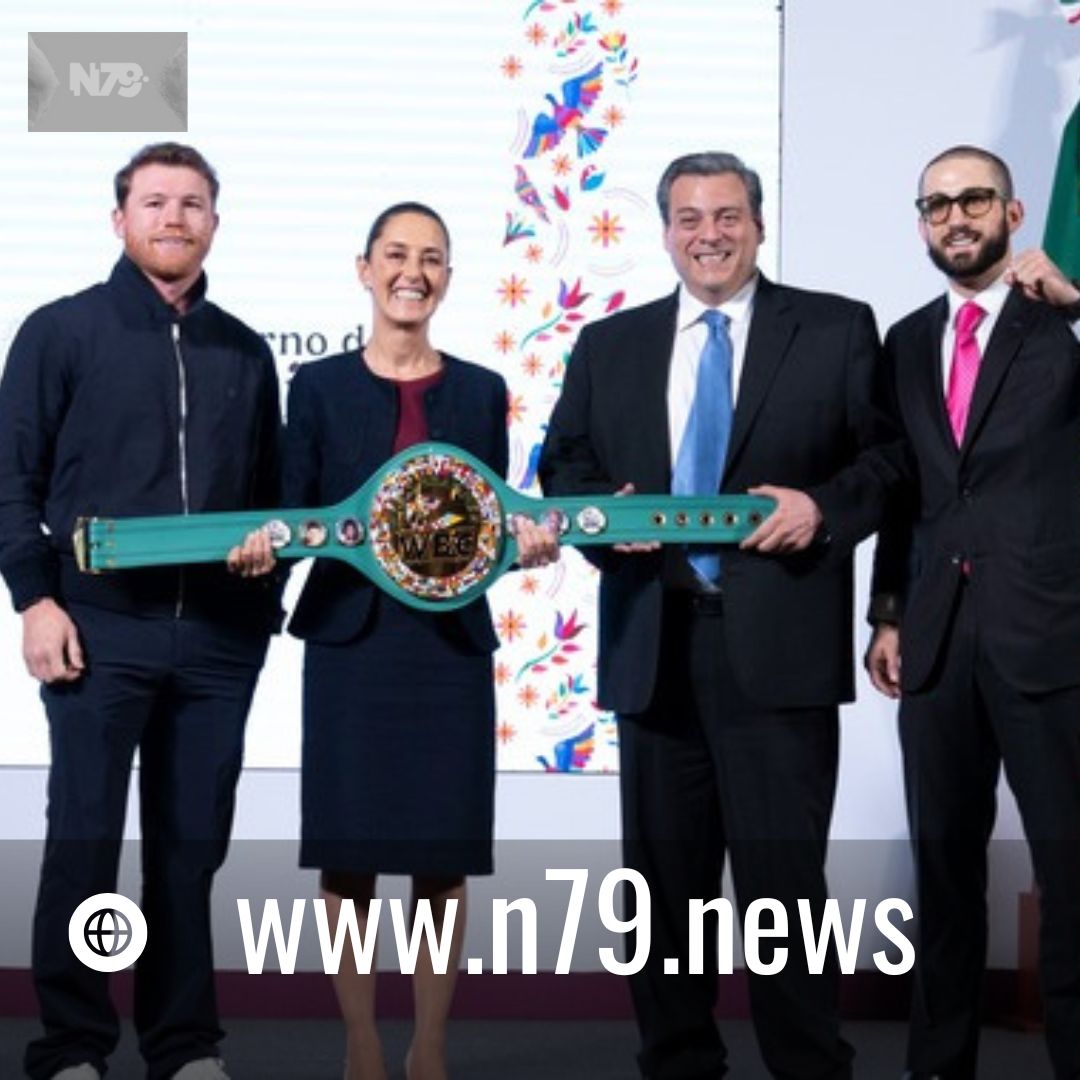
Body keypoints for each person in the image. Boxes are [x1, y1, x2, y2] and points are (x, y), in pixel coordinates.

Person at [539, 151, 900, 1080]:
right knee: (663, 891)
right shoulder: (609, 345)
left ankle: (808, 1065)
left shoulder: (834, 329)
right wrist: (599, 525)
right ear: (664, 231)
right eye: (690, 217)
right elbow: (565, 466)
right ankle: (679, 1062)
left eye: (728, 215)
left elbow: (890, 464)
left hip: (779, 651)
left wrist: (823, 508)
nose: (710, 233)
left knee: (783, 891)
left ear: (759, 224)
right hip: (652, 645)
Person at [230, 201, 558, 1080]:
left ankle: (432, 1046)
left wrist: (524, 551)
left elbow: (484, 530)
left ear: (448, 277)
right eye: (397, 255)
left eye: (433, 258)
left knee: (442, 852)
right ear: (365, 269)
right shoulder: (322, 387)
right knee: (350, 851)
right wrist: (265, 552)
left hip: (446, 652)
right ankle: (364, 1043)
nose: (415, 271)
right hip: (351, 644)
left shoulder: (484, 391)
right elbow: (296, 506)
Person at [0, 144, 283, 1080]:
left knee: (188, 850)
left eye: (193, 203)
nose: (174, 218)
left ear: (214, 221)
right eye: (155, 202)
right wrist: (36, 601)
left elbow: (273, 499)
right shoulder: (60, 333)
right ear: (118, 218)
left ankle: (183, 1046)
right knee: (85, 840)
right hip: (96, 630)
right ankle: (73, 1046)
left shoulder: (245, 350)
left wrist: (260, 586)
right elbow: (11, 485)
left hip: (215, 643)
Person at [865, 145, 1080, 1080]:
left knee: (1073, 880)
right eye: (937, 203)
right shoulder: (906, 340)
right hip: (938, 641)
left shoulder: (1060, 323)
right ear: (921, 221)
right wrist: (886, 613)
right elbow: (902, 487)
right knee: (943, 883)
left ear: (1015, 210)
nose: (956, 217)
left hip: (1050, 634)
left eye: (974, 199)